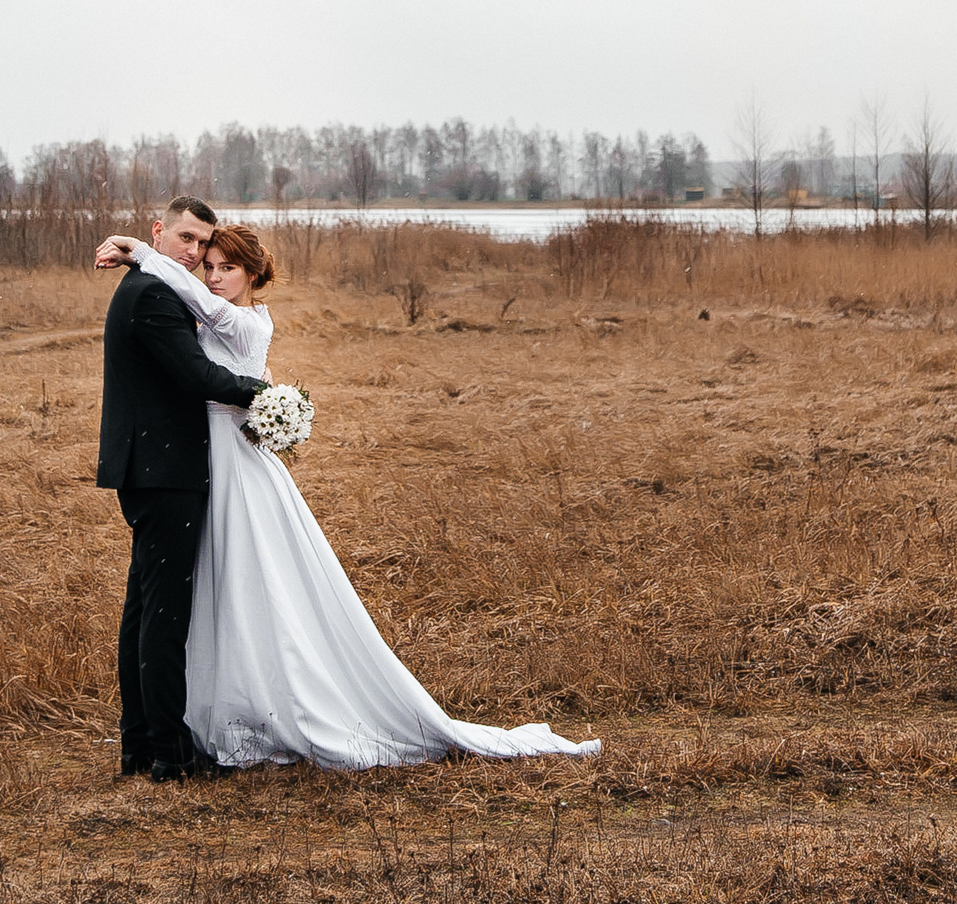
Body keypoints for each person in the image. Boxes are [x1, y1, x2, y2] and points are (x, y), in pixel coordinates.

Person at [94, 218, 600, 771]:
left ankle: (215, 723)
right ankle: (186, 727)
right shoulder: (172, 298)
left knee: (239, 580)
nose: (210, 275)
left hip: (224, 462)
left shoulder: (235, 317)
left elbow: (202, 335)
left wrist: (143, 252)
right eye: (205, 262)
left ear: (254, 274)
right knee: (201, 593)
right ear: (166, 230)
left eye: (225, 267)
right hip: (198, 464)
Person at [95, 196, 270, 782]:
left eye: (203, 243)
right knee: (163, 615)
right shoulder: (151, 295)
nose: (195, 253)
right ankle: (170, 754)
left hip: (154, 469)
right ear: (159, 233)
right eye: (186, 239)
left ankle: (140, 745)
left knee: (145, 607)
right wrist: (267, 397)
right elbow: (197, 377)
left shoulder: (152, 286)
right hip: (163, 472)